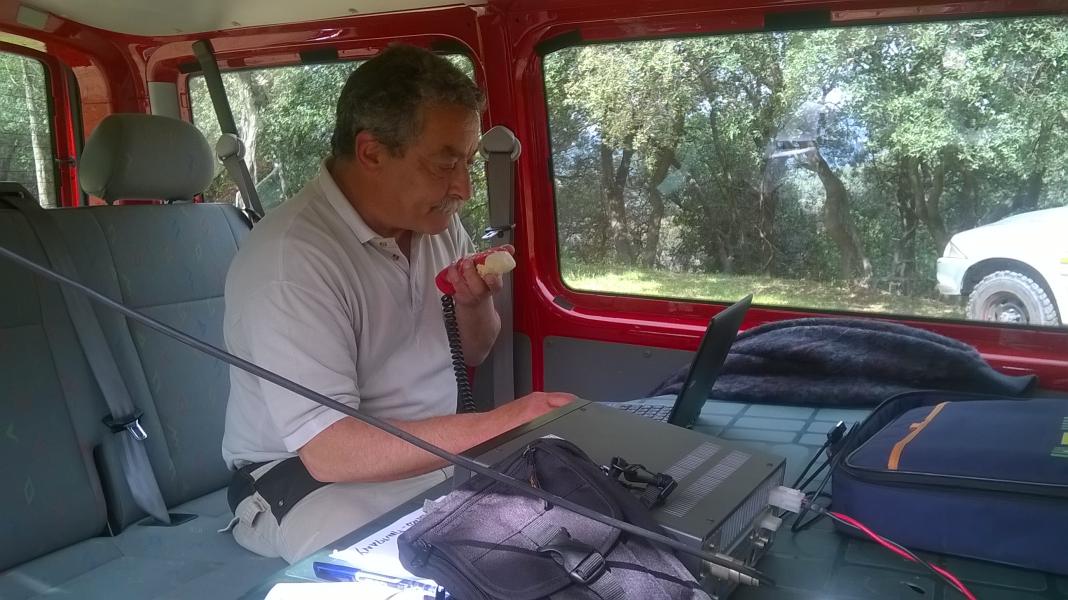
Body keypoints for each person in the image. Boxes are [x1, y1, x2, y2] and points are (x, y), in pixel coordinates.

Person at [220, 44, 574, 563]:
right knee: (412, 572)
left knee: (563, 523)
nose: (464, 188)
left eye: (468, 162)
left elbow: (472, 353)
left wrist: (474, 307)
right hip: (306, 477)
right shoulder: (291, 258)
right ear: (371, 153)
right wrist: (510, 419)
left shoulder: (436, 225)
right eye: (445, 163)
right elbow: (330, 450)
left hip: (426, 457)